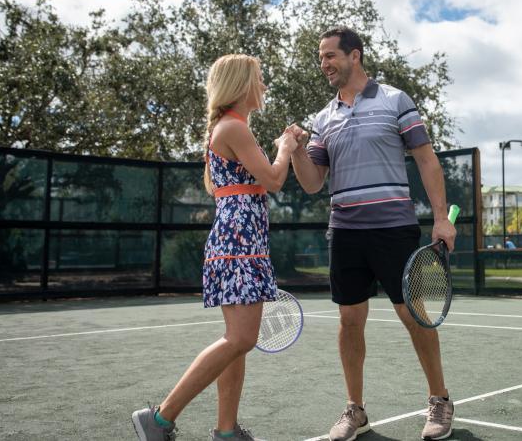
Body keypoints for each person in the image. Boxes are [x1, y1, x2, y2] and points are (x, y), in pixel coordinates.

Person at [287, 27, 457, 441]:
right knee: (349, 320)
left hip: (394, 228)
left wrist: (440, 217)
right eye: (320, 58)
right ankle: (355, 411)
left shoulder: (395, 100)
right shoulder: (323, 119)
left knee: (412, 315)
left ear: (355, 56)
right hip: (345, 232)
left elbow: (426, 160)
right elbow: (312, 182)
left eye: (330, 56)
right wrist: (293, 150)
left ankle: (440, 400)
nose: (324, 64)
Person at [131, 54, 298, 441]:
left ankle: (226, 431)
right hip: (238, 244)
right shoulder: (233, 128)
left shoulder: (232, 128)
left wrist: (284, 149)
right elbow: (274, 178)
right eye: (260, 79)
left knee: (236, 341)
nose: (265, 86)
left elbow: (266, 180)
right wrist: (286, 146)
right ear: (241, 85)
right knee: (240, 339)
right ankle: (159, 419)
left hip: (243, 243)